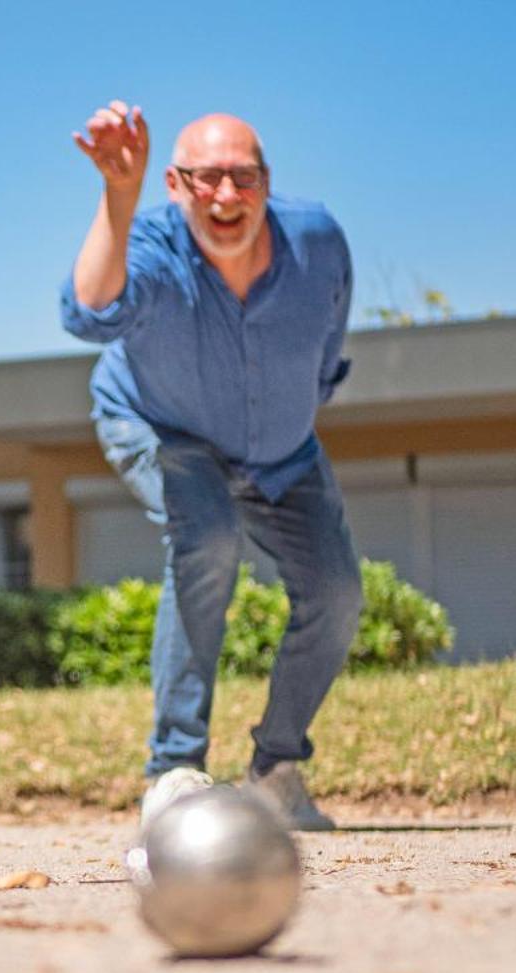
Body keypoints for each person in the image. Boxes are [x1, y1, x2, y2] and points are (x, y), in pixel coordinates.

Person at [60, 101, 361, 832]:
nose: (225, 197)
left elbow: (327, 348)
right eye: (206, 180)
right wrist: (118, 195)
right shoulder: (154, 245)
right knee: (210, 537)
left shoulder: (317, 240)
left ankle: (275, 772)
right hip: (162, 427)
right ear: (174, 183)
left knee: (337, 591)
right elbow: (86, 311)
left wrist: (288, 413)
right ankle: (174, 770)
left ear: (266, 182)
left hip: (283, 450)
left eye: (243, 178)